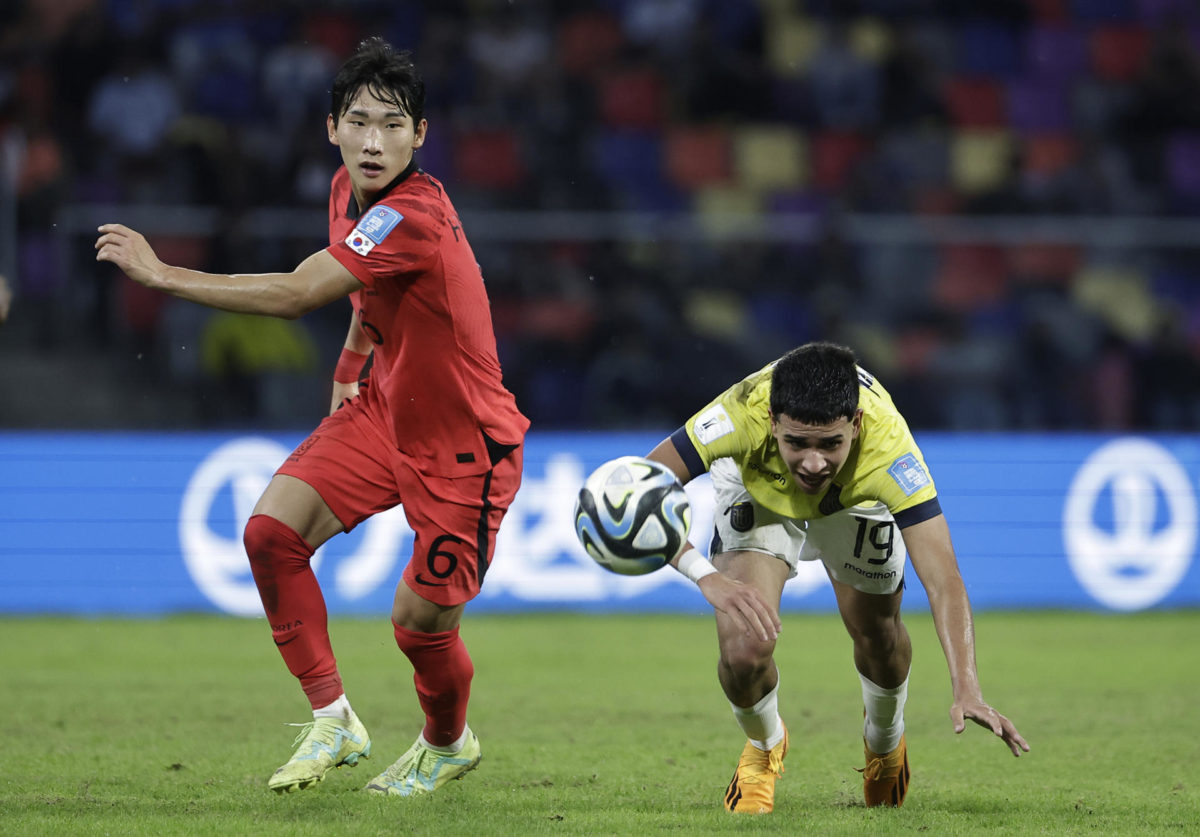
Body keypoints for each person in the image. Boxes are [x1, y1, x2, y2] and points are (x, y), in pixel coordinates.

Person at [95, 38, 528, 798]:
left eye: (393, 125)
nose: (372, 141)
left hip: (467, 447)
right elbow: (370, 298)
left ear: (421, 136)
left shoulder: (415, 214)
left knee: (417, 625)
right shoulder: (343, 192)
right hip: (386, 410)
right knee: (269, 533)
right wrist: (347, 368)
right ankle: (334, 718)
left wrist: (163, 275)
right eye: (358, 121)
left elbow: (301, 292)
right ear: (331, 126)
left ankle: (447, 740)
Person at [645, 341, 1028, 814]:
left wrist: (967, 687)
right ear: (770, 422)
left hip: (855, 499)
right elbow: (642, 491)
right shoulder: (738, 413)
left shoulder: (889, 450)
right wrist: (705, 576)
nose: (812, 462)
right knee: (744, 648)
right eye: (797, 442)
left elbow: (944, 578)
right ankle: (764, 750)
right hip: (757, 488)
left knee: (879, 637)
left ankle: (884, 743)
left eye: (830, 443)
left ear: (856, 425)